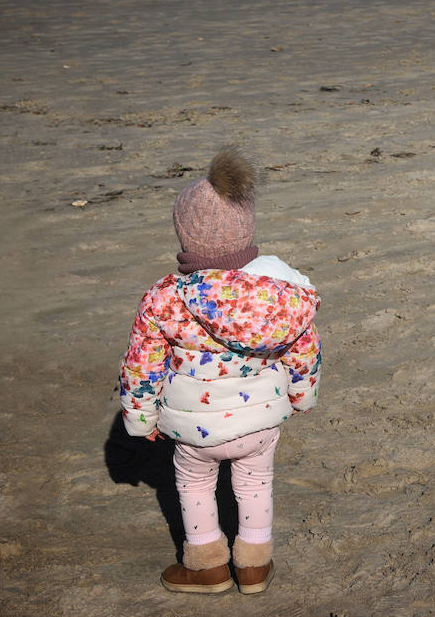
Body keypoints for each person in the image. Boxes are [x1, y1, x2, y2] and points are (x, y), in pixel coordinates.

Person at [119, 147, 322, 594]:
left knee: (193, 483)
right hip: (260, 422)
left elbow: (142, 365)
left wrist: (140, 419)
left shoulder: (164, 297)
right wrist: (302, 396)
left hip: (194, 428)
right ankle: (253, 565)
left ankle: (206, 563)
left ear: (185, 235)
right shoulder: (277, 295)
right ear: (246, 230)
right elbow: (304, 350)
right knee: (256, 483)